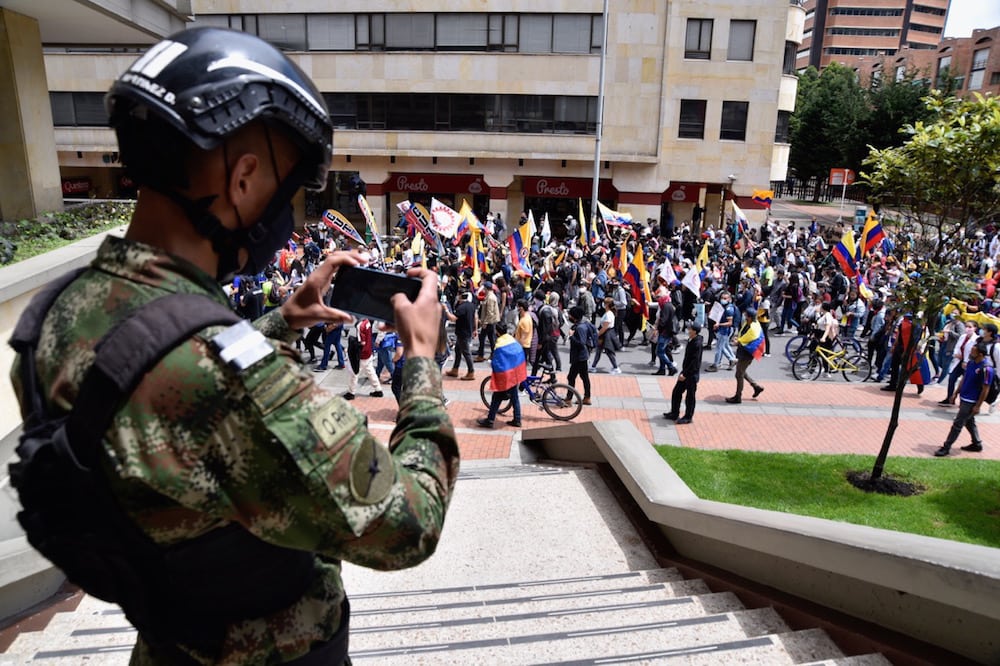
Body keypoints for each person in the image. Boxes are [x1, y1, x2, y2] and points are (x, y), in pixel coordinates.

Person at [9, 27, 458, 665]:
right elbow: (406, 524)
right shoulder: (226, 378)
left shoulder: (57, 311)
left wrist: (283, 321)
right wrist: (419, 361)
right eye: (288, 188)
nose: (287, 212)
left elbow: (150, 386)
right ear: (245, 178)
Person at [934, 342, 991, 456]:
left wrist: (978, 406)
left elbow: (985, 389)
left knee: (958, 424)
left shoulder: (986, 369)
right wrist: (956, 393)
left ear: (980, 354)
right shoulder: (971, 363)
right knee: (969, 422)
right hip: (964, 397)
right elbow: (964, 379)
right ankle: (977, 443)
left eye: (973, 351)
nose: (970, 353)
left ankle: (946, 447)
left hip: (972, 401)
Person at [477, 323, 527, 428]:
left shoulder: (499, 344)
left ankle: (490, 420)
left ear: (497, 332)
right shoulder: (512, 339)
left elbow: (498, 362)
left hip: (505, 375)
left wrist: (491, 363)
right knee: (514, 398)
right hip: (515, 373)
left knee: (496, 397)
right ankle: (517, 419)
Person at [663, 324, 704, 424]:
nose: (688, 330)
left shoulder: (697, 343)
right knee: (676, 392)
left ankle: (688, 417)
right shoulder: (691, 340)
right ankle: (674, 413)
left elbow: (694, 362)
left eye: (690, 329)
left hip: (691, 374)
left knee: (690, 396)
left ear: (694, 331)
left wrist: (684, 374)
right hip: (686, 371)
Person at [727, 309, 765, 404]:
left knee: (739, 374)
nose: (744, 316)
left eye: (746, 315)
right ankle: (756, 386)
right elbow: (743, 336)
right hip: (744, 351)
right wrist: (739, 339)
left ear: (750, 317)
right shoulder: (748, 323)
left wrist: (738, 341)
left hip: (747, 353)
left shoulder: (753, 328)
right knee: (742, 371)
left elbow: (748, 339)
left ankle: (738, 396)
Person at [345, 318, 383, 399]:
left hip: (362, 354)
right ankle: (378, 389)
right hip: (368, 351)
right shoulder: (367, 322)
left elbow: (361, 343)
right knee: (370, 371)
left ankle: (351, 393)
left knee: (354, 373)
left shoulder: (360, 325)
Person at [566, 305, 597, 405]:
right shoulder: (583, 324)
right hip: (582, 356)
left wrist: (571, 336)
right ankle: (587, 397)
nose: (569, 317)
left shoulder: (580, 328)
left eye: (570, 315)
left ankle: (568, 399)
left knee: (571, 377)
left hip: (579, 357)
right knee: (584, 377)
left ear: (574, 316)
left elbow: (581, 343)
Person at [446, 290, 477, 380]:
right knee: (458, 351)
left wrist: (446, 310)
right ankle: (455, 369)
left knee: (466, 352)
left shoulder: (462, 307)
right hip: (467, 331)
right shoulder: (471, 305)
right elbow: (475, 317)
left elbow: (453, 318)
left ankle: (471, 371)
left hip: (463, 333)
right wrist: (475, 329)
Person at [591, 296, 622, 374]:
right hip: (606, 334)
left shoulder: (608, 314)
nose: (603, 304)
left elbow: (605, 327)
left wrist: (598, 334)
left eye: (604, 303)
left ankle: (616, 367)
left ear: (607, 304)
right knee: (599, 351)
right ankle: (593, 366)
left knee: (608, 352)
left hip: (606, 334)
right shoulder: (608, 313)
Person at [707, 291, 736, 372]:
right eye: (722, 298)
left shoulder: (729, 309)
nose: (723, 299)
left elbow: (730, 323)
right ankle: (732, 359)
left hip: (724, 331)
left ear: (729, 299)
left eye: (725, 298)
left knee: (719, 348)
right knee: (725, 346)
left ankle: (717, 364)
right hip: (722, 330)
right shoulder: (723, 306)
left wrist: (719, 324)